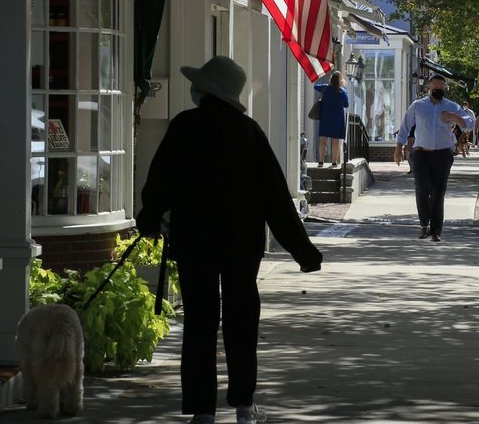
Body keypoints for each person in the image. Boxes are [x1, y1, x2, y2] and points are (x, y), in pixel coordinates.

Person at [137, 56, 323, 424]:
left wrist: (149, 220)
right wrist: (303, 250)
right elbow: (276, 199)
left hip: (194, 241)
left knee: (200, 323)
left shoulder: (184, 127)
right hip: (241, 243)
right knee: (241, 321)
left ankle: (202, 410)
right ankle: (243, 405)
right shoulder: (249, 131)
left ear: (204, 90)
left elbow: (159, 182)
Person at [393, 75, 474, 242]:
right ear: (429, 89)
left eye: (441, 89)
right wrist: (398, 149)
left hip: (443, 154)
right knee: (422, 188)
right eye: (434, 88)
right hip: (421, 153)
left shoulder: (452, 106)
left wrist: (456, 118)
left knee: (438, 192)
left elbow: (470, 123)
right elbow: (405, 126)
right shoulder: (418, 106)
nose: (437, 91)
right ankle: (424, 225)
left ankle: (436, 230)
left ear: (444, 89)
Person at [314, 71, 349, 167]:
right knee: (335, 141)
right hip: (337, 119)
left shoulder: (325, 88)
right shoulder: (343, 92)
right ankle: (334, 162)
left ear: (331, 80)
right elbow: (346, 104)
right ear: (340, 80)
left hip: (325, 117)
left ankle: (321, 162)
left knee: (323, 140)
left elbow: (315, 86)